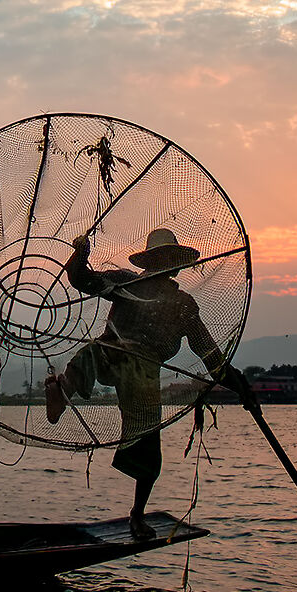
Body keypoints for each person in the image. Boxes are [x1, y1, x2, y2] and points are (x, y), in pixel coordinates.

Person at [43, 227, 240, 538]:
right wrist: (80, 255)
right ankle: (63, 390)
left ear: (175, 263)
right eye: (161, 258)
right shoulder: (126, 282)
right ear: (151, 262)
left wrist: (242, 387)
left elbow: (210, 355)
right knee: (94, 354)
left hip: (140, 371)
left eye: (169, 259)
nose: (165, 264)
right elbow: (83, 280)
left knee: (146, 436)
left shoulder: (183, 305)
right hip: (112, 354)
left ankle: (136, 514)